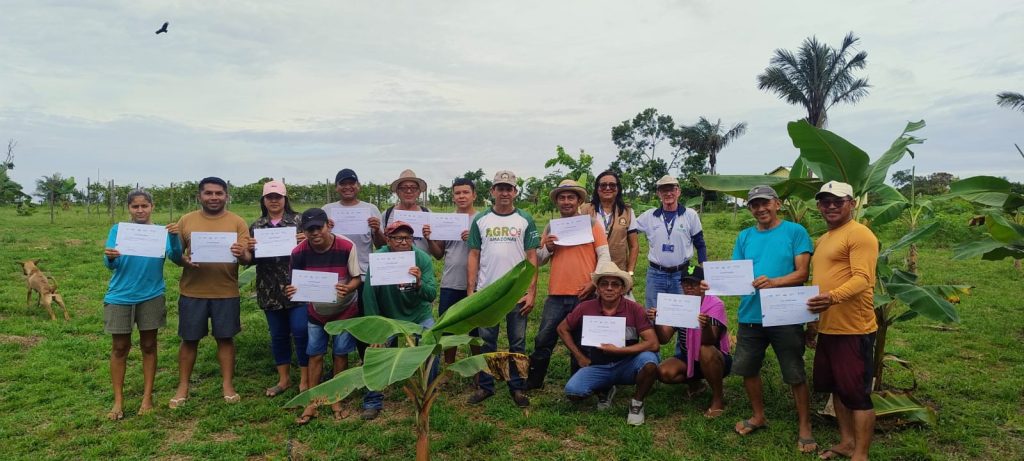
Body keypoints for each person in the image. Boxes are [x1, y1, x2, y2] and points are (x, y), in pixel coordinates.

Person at [726, 185, 817, 453]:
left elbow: (802, 273)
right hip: (751, 313)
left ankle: (805, 425)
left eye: (765, 203)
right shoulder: (744, 236)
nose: (760, 209)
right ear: (750, 209)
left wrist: (774, 282)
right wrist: (715, 284)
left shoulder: (795, 232)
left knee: (793, 370)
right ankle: (758, 416)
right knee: (748, 367)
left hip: (785, 312)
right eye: (755, 205)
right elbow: (736, 274)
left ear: (777, 204)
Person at [805, 181, 879, 461]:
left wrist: (832, 297)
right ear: (819, 206)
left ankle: (861, 453)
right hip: (829, 327)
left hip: (853, 328)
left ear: (852, 203)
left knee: (857, 394)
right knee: (837, 387)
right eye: (826, 202)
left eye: (838, 201)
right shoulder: (824, 239)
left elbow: (863, 278)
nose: (831, 206)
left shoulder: (860, 234)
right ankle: (847, 442)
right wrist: (813, 323)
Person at [168, 177, 251, 408]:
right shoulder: (186, 220)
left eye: (219, 193)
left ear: (226, 196)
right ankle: (183, 386)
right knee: (189, 339)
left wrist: (241, 253)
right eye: (208, 193)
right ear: (200, 196)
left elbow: (247, 258)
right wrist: (183, 260)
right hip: (192, 291)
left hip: (226, 291)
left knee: (225, 338)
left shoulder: (237, 222)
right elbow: (176, 255)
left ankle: (227, 385)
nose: (214, 197)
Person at [101, 189, 182, 420]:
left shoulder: (161, 233)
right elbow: (110, 264)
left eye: (144, 206)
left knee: (148, 345)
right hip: (120, 296)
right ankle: (118, 400)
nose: (140, 210)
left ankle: (147, 397)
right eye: (135, 206)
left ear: (152, 207)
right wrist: (110, 257)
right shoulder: (118, 230)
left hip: (151, 295)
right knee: (119, 347)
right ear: (128, 208)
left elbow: (176, 258)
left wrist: (174, 237)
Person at [527, 179, 610, 390]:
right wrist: (548, 247)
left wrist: (594, 282)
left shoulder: (592, 224)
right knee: (544, 338)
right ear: (557, 202)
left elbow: (604, 256)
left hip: (585, 293)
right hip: (556, 294)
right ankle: (534, 381)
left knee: (583, 341)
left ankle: (578, 384)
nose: (566, 201)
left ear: (579, 200)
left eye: (570, 197)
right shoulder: (551, 227)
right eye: (562, 198)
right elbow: (540, 259)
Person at [466, 170, 539, 408]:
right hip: (488, 292)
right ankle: (486, 386)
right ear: (492, 191)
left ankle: (517, 387)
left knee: (517, 342)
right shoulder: (481, 220)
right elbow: (474, 254)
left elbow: (532, 257)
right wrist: (471, 290)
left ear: (515, 192)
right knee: (487, 342)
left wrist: (531, 291)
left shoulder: (525, 219)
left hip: (517, 292)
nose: (505, 192)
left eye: (509, 188)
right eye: (500, 188)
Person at [557, 261, 659, 426]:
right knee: (573, 392)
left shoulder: (635, 309)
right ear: (597, 288)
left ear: (622, 289)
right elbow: (562, 329)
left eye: (615, 284)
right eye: (604, 284)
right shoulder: (585, 307)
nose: (609, 288)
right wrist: (579, 357)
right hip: (598, 365)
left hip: (627, 363)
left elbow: (653, 344)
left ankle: (637, 403)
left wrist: (620, 350)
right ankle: (605, 388)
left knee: (650, 361)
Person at [286, 208, 362, 425]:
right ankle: (313, 400)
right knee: (315, 354)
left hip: (345, 309)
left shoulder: (346, 246)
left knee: (340, 353)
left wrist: (348, 288)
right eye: (309, 229)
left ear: (328, 225)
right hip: (316, 312)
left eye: (318, 227)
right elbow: (294, 283)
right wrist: (290, 290)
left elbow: (356, 278)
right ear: (304, 231)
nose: (315, 233)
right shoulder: (298, 252)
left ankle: (336, 398)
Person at [361, 220, 438, 420]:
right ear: (388, 240)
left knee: (432, 343)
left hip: (419, 315)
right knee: (376, 352)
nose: (403, 242)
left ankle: (429, 392)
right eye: (398, 238)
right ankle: (373, 400)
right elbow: (369, 296)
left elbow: (431, 294)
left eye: (407, 238)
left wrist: (419, 283)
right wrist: (375, 330)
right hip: (388, 316)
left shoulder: (421, 258)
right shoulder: (379, 259)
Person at [247, 180, 308, 398]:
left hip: (297, 286)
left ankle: (305, 379)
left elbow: (318, 246)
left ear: (285, 199)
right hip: (269, 289)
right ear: (263, 200)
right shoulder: (257, 226)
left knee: (301, 331)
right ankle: (284, 379)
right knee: (278, 335)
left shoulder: (300, 221)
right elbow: (250, 260)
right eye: (269, 197)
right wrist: (249, 249)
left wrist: (306, 241)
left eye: (278, 197)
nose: (274, 201)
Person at [650, 266, 731, 418]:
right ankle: (696, 383)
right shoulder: (680, 305)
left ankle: (718, 398)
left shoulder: (715, 304)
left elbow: (710, 340)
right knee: (664, 372)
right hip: (688, 356)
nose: (689, 287)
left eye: (694, 283)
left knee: (705, 350)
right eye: (685, 283)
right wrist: (657, 320)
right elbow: (664, 339)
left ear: (703, 285)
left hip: (715, 357)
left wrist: (705, 326)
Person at [424, 177, 478, 364]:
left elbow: (490, 251)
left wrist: (474, 240)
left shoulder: (482, 220)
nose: (462, 196)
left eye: (466, 192)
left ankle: (478, 369)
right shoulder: (446, 220)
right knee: (448, 329)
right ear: (453, 197)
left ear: (474, 195)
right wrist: (430, 239)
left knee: (476, 329)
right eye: (457, 193)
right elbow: (438, 254)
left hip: (477, 284)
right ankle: (449, 367)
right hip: (451, 282)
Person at [635, 175, 707, 309]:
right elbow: (629, 229)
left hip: (682, 274)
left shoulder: (690, 215)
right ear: (658, 194)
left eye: (672, 189)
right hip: (655, 274)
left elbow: (700, 244)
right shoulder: (649, 216)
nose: (668, 193)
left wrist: (705, 271)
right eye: (664, 190)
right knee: (653, 313)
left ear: (678, 191)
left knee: (682, 312)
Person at [579, 170, 639, 278]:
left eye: (612, 185)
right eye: (603, 185)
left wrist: (630, 272)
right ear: (597, 188)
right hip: (590, 270)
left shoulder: (627, 212)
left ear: (618, 188)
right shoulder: (585, 210)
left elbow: (634, 246)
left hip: (618, 271)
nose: (607, 188)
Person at [382, 169, 431, 253]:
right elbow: (381, 246)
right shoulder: (387, 214)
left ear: (419, 192)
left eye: (413, 188)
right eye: (404, 188)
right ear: (397, 192)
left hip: (421, 261)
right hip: (395, 261)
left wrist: (430, 239)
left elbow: (438, 254)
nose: (409, 191)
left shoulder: (428, 213)